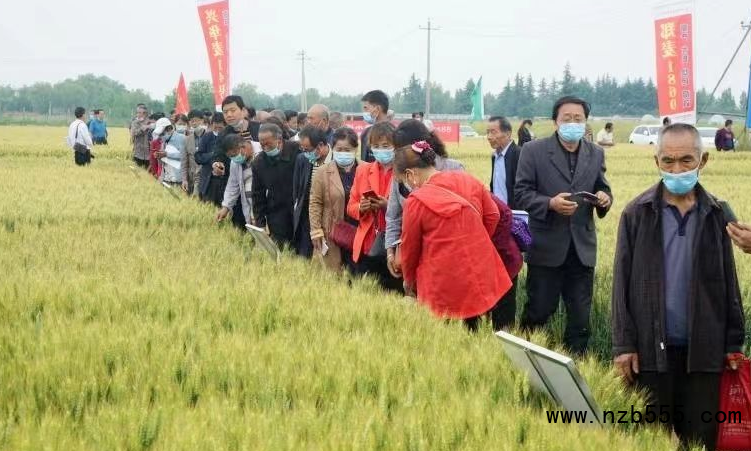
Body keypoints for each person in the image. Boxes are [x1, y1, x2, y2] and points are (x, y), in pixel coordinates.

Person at [611, 123, 745, 451]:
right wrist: (623, 344)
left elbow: (728, 281)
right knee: (648, 440)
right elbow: (621, 282)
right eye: (668, 161)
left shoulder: (717, 214)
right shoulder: (637, 213)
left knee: (700, 440)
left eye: (686, 160)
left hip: (705, 354)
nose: (676, 170)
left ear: (703, 160)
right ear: (656, 161)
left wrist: (733, 340)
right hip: (650, 354)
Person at [515, 96, 613, 355]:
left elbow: (602, 187)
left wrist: (605, 199)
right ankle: (525, 362)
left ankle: (577, 366)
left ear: (586, 122)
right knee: (538, 311)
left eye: (578, 118)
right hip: (546, 248)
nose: (572, 123)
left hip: (582, 250)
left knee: (580, 319)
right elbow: (521, 193)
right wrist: (550, 203)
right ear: (555, 122)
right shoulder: (533, 151)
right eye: (566, 118)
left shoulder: (596, 153)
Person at [396, 141, 512, 329]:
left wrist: (409, 280)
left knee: (445, 337)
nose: (407, 184)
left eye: (403, 180)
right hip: (478, 273)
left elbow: (410, 248)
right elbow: (493, 215)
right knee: (476, 330)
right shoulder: (468, 180)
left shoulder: (416, 201)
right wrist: (475, 240)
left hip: (441, 283)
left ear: (410, 174)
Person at [385, 119, 464, 283]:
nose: (399, 156)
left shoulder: (454, 170)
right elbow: (393, 216)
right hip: (410, 256)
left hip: (447, 258)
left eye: (402, 150)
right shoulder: (400, 173)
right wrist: (391, 253)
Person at [347, 122, 402, 292]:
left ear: (396, 146)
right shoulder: (363, 170)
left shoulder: (404, 171)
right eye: (376, 146)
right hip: (367, 244)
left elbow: (412, 208)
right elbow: (351, 207)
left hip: (394, 245)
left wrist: (388, 206)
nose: (381, 150)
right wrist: (361, 207)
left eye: (385, 146)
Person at [310, 127, 360, 271]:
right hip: (332, 231)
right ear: (333, 149)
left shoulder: (366, 169)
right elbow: (315, 203)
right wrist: (316, 231)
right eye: (339, 149)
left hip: (358, 231)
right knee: (334, 273)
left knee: (358, 274)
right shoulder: (323, 172)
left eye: (347, 150)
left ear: (355, 149)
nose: (343, 153)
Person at [251, 123, 300, 246]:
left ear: (279, 140)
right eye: (262, 145)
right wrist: (260, 223)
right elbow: (257, 195)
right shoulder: (259, 163)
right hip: (277, 213)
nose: (265, 148)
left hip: (300, 210)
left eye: (268, 144)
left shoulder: (297, 151)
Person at [293, 125, 333, 258]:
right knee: (305, 257)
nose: (305, 153)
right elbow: (297, 190)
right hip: (307, 218)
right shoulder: (302, 160)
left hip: (330, 220)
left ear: (320, 146)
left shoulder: (336, 161)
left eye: (308, 150)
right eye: (303, 149)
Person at [216, 134, 254, 226]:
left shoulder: (261, 152)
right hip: (251, 209)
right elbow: (232, 186)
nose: (233, 159)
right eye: (230, 157)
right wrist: (226, 207)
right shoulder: (235, 163)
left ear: (242, 146)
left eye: (234, 155)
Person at [488, 116, 521, 209]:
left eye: (493, 132)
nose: (489, 137)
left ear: (508, 133)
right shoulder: (495, 156)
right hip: (498, 212)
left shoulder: (520, 154)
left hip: (515, 213)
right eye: (487, 132)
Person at [195, 112, 226, 204]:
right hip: (208, 181)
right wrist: (213, 155)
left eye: (220, 127)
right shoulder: (206, 137)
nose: (217, 129)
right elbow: (198, 157)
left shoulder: (228, 137)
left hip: (224, 180)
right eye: (215, 126)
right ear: (211, 124)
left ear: (225, 125)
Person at [152, 117, 186, 186]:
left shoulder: (181, 138)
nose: (161, 136)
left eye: (162, 134)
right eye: (160, 135)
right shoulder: (164, 142)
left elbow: (184, 156)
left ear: (169, 129)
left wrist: (167, 154)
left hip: (179, 180)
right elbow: (162, 163)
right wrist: (159, 156)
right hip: (166, 179)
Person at [360, 90, 390, 162]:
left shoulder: (395, 134)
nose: (364, 112)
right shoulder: (366, 133)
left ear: (377, 109)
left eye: (366, 108)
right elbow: (364, 161)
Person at [182, 109, 207, 195]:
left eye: (196, 120)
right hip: (192, 177)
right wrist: (184, 179)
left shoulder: (209, 136)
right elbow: (184, 162)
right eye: (191, 121)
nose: (194, 123)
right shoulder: (187, 139)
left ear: (202, 120)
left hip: (207, 176)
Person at [131, 104, 151, 168]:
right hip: (138, 153)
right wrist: (142, 128)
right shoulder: (135, 123)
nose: (141, 114)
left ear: (146, 114)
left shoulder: (150, 122)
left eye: (143, 113)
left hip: (148, 154)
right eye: (139, 113)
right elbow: (134, 133)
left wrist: (148, 125)